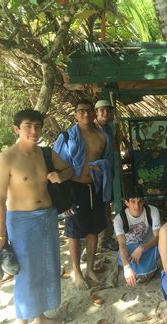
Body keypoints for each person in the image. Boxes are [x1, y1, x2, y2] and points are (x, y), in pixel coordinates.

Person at [0, 109, 74, 324]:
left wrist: (59, 175)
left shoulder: (46, 153)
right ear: (16, 128)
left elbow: (70, 169)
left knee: (48, 267)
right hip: (21, 221)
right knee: (25, 273)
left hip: (48, 217)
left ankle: (41, 316)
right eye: (28, 126)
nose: (34, 131)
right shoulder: (6, 157)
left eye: (37, 126)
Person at [54, 98, 113, 289]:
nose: (86, 114)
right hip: (74, 188)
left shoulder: (103, 137)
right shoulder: (67, 137)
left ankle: (90, 269)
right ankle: (76, 272)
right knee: (74, 231)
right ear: (75, 114)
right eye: (82, 111)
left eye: (89, 110)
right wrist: (63, 197)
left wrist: (102, 168)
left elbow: (108, 162)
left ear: (93, 113)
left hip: (93, 188)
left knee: (94, 229)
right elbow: (57, 166)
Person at [114, 186, 161, 286]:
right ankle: (142, 271)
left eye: (139, 201)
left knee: (163, 247)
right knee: (122, 256)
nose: (137, 206)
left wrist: (141, 248)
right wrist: (127, 268)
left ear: (143, 201)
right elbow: (122, 244)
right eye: (133, 201)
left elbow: (157, 237)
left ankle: (144, 271)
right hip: (129, 248)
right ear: (126, 203)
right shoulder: (119, 219)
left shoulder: (152, 211)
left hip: (148, 246)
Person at [94, 99, 121, 251]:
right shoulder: (92, 129)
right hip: (96, 175)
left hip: (107, 174)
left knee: (105, 206)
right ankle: (100, 241)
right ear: (96, 112)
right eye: (102, 110)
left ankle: (105, 238)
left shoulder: (108, 128)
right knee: (100, 208)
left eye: (107, 110)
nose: (105, 113)